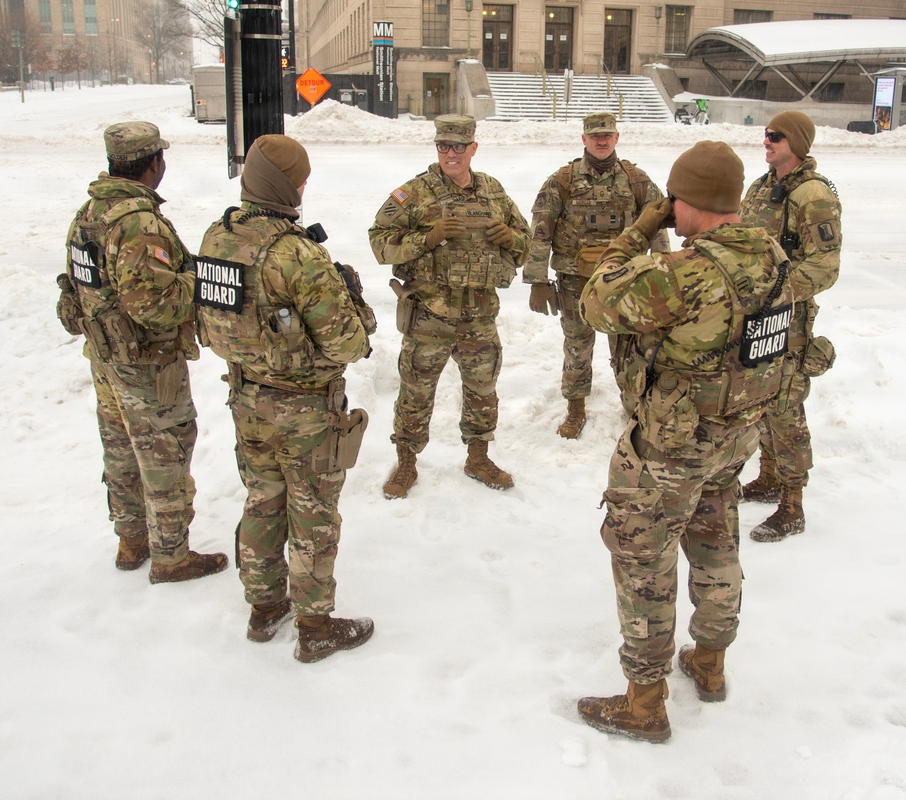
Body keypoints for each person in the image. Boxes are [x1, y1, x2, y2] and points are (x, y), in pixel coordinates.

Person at [576, 141, 794, 742]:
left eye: (675, 200)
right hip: (735, 434)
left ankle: (643, 704)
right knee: (717, 538)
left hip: (672, 449)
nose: (670, 208)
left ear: (690, 203)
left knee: (644, 559)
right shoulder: (771, 258)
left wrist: (640, 229)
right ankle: (711, 661)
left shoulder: (686, 274)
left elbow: (596, 298)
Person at [194, 135, 375, 662]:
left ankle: (263, 606)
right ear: (287, 185)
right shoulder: (295, 252)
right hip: (304, 410)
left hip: (246, 397)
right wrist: (356, 302)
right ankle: (315, 626)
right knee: (312, 511)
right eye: (300, 179)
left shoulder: (216, 238)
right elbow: (349, 342)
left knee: (262, 498)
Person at [56, 121, 227, 584]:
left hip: (105, 357)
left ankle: (132, 541)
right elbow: (155, 306)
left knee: (121, 449)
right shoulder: (138, 223)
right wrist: (199, 280)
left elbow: (77, 285)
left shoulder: (89, 213)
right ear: (154, 164)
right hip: (146, 364)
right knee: (163, 453)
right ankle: (171, 558)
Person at [368, 114, 531, 499]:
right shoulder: (414, 193)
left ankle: (478, 457)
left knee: (482, 389)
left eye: (459, 146)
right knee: (416, 393)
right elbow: (379, 241)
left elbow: (526, 242)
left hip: (479, 316)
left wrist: (511, 237)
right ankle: (406, 463)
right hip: (430, 315)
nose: (451, 154)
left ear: (473, 148)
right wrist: (428, 238)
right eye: (444, 146)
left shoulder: (493, 190)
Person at [525, 112, 669, 437]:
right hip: (576, 283)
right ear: (584, 139)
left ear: (617, 138)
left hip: (624, 283)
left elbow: (657, 226)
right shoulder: (562, 180)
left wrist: (664, 273)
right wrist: (536, 279)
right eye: (595, 136)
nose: (601, 141)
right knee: (577, 346)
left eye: (607, 135)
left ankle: (633, 405)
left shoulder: (637, 180)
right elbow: (541, 229)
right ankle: (575, 408)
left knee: (628, 348)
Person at [739, 111, 841, 542]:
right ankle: (768, 478)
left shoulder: (813, 194)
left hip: (787, 319)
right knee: (760, 400)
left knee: (786, 408)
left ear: (796, 142)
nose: (767, 141)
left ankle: (793, 504)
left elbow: (825, 265)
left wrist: (778, 292)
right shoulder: (763, 186)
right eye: (765, 134)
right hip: (758, 315)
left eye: (775, 136)